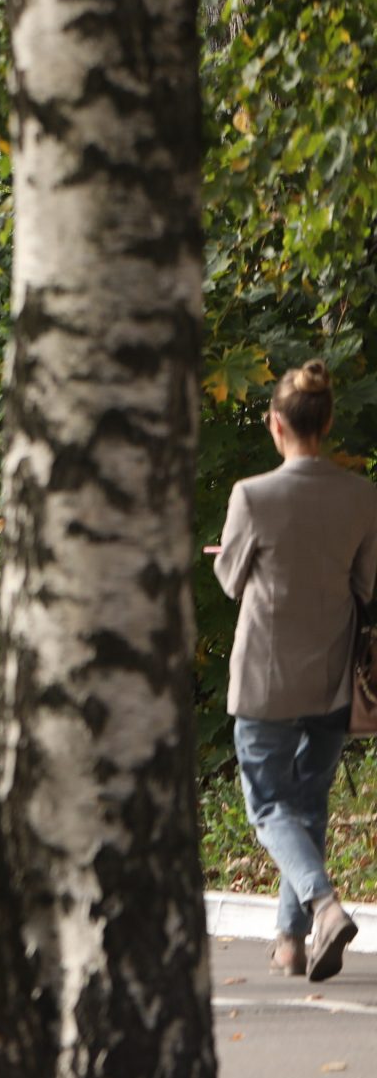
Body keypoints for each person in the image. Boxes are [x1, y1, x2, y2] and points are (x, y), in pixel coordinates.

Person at [213, 359, 377, 982]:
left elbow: (230, 582)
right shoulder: (362, 497)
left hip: (264, 678)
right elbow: (365, 585)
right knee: (307, 802)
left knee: (267, 805)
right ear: (328, 421)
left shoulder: (252, 496)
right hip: (333, 677)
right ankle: (289, 941)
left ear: (275, 424)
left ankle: (323, 905)